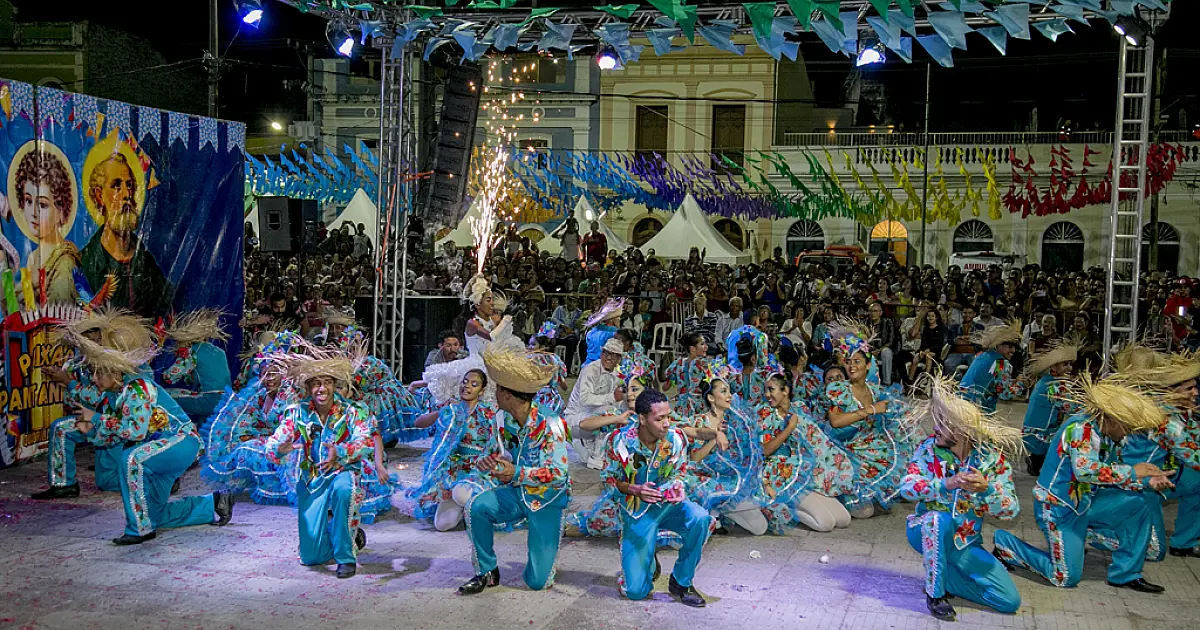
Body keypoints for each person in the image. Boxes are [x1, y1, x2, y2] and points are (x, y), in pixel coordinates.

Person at [993, 374, 1172, 593]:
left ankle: (1125, 573)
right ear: (1113, 420)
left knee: (1136, 505)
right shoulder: (1080, 428)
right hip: (1059, 508)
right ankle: (1005, 545)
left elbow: (1112, 474)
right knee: (1065, 577)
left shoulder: (1109, 435)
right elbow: (1086, 471)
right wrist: (1133, 472)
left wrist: (1146, 482)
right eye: (1128, 426)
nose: (1130, 432)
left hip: (1087, 502)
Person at [63, 316, 233, 545]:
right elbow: (111, 434)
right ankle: (213, 503)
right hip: (160, 450)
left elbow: (134, 431)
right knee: (154, 514)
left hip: (181, 443)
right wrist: (89, 429)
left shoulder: (137, 387)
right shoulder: (114, 395)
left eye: (99, 373)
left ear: (116, 372)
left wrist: (95, 418)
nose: (94, 378)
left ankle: (138, 530)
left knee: (131, 459)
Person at [900, 373, 1023, 621]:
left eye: (943, 423)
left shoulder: (991, 460)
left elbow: (1011, 511)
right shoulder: (928, 449)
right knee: (938, 520)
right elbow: (907, 487)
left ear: (962, 431)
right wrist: (946, 483)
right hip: (924, 530)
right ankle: (935, 593)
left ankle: (943, 577)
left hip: (965, 542)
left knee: (1008, 601)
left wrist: (986, 489)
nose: (935, 427)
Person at [459, 346, 570, 595]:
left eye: (498, 389)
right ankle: (487, 571)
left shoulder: (551, 424)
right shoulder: (504, 419)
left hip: (546, 500)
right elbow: (500, 456)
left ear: (508, 395)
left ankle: (547, 552)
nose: (494, 394)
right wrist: (491, 464)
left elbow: (559, 474)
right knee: (476, 507)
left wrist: (516, 473)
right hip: (517, 493)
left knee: (537, 582)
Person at [264, 341, 372, 578]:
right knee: (310, 558)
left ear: (335, 386)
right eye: (315, 383)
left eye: (326, 382)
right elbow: (274, 443)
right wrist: (280, 449)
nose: (321, 388)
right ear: (309, 388)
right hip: (311, 478)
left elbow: (366, 442)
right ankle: (341, 532)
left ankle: (346, 556)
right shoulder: (297, 412)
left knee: (344, 491)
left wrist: (341, 451)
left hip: (343, 473)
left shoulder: (353, 411)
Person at [604, 388, 709, 606]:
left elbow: (681, 473)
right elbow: (609, 481)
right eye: (659, 418)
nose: (667, 423)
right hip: (637, 510)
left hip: (668, 506)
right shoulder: (620, 441)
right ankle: (647, 557)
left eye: (668, 416)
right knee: (635, 591)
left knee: (700, 517)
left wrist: (677, 487)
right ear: (642, 419)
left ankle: (682, 581)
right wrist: (636, 489)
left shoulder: (676, 438)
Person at [33, 309, 132, 499]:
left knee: (107, 481)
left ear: (99, 334)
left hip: (117, 424)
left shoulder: (110, 359)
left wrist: (68, 382)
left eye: (90, 334)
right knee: (62, 429)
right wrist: (65, 381)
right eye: (82, 335)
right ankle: (64, 484)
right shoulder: (77, 363)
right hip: (100, 421)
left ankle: (157, 480)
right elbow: (74, 402)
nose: (86, 339)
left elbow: (98, 396)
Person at [824, 319, 915, 519]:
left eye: (857, 362)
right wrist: (870, 410)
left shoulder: (875, 390)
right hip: (845, 447)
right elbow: (836, 421)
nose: (851, 366)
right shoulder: (839, 389)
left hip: (869, 446)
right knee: (865, 511)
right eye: (848, 362)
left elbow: (892, 411)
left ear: (868, 365)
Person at [200, 331, 300, 505]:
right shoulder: (261, 394)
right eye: (264, 373)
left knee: (246, 449)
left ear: (284, 375)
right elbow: (244, 417)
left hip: (289, 446)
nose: (268, 378)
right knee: (237, 441)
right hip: (272, 440)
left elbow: (289, 429)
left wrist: (264, 442)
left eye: (273, 374)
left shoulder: (289, 396)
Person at [1118, 350, 1200, 561]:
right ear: (1171, 392)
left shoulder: (1180, 410)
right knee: (1154, 552)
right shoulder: (1165, 420)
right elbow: (1193, 456)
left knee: (1197, 482)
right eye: (1189, 388)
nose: (1196, 392)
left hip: (1159, 476)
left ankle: (1184, 542)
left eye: (1195, 386)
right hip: (1136, 483)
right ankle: (1092, 530)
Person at [406, 370, 510, 531]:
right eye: (465, 381)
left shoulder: (488, 412)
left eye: (474, 384)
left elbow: (497, 446)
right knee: (442, 525)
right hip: (454, 469)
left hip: (478, 469)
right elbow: (418, 422)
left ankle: (475, 507)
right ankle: (463, 506)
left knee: (461, 494)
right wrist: (442, 412)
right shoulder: (451, 408)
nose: (467, 386)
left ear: (481, 391)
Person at [79, 150, 173, 316]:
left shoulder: (145, 260)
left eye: (129, 185)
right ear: (99, 196)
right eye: (116, 185)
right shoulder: (86, 262)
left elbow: (169, 307)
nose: (126, 194)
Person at [757, 373, 854, 533]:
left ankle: (799, 501)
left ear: (785, 390)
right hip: (782, 474)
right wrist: (789, 428)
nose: (767, 394)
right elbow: (765, 450)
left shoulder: (800, 408)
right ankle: (786, 506)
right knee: (825, 523)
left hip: (807, 471)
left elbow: (816, 439)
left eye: (771, 389)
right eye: (766, 390)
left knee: (844, 519)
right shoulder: (765, 414)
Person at [678, 376, 768, 535]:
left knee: (760, 528)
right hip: (707, 481)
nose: (730, 396)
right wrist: (716, 436)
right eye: (724, 391)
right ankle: (710, 514)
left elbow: (749, 457)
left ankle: (722, 513)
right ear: (711, 398)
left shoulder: (737, 422)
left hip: (732, 483)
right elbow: (696, 459)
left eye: (730, 391)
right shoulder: (699, 421)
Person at [418, 275, 523, 405]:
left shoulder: (491, 321)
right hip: (476, 362)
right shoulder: (472, 323)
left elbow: (500, 339)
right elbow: (491, 336)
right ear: (478, 304)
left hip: (491, 362)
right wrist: (505, 321)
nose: (492, 303)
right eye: (488, 300)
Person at [11, 145, 81, 303]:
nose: (33, 212)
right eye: (28, 201)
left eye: (42, 204)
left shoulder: (64, 262)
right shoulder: (31, 257)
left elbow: (62, 316)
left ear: (60, 211)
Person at [160, 309, 233, 421]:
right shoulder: (219, 351)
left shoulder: (192, 352)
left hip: (208, 401)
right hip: (226, 400)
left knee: (165, 396)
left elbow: (169, 377)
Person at [1021, 341, 1079, 476]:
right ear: (1053, 366)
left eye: (1070, 364)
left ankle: (1036, 460)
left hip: (1030, 433)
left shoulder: (1045, 380)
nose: (1069, 368)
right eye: (1065, 364)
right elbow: (1072, 408)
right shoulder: (1056, 385)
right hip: (1040, 437)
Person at [565, 338, 624, 469]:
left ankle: (592, 444)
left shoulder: (618, 374)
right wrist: (612, 397)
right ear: (601, 353)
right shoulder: (590, 370)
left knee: (620, 414)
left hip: (593, 418)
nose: (609, 358)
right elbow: (585, 399)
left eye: (614, 355)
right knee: (609, 413)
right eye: (606, 353)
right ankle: (596, 457)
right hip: (576, 418)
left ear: (619, 359)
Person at [960, 320, 1026, 414]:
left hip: (959, 401)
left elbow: (990, 379)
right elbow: (1004, 394)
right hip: (975, 408)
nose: (1013, 350)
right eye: (1009, 346)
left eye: (1014, 347)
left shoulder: (981, 355)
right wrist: (1020, 384)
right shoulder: (1001, 363)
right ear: (998, 345)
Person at [664, 332, 714, 417]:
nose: (706, 347)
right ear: (692, 349)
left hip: (682, 409)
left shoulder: (677, 363)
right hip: (699, 409)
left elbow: (665, 387)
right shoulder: (704, 364)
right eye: (702, 344)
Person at [944, 304, 982, 376]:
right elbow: (951, 341)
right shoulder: (954, 327)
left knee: (976, 366)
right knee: (948, 364)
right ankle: (955, 385)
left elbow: (979, 343)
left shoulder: (979, 327)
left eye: (969, 313)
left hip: (972, 353)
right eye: (965, 313)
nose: (967, 315)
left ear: (974, 314)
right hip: (956, 353)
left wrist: (961, 338)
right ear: (961, 313)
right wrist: (969, 340)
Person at [584, 297, 624, 364]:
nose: (619, 319)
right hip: (601, 366)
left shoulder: (591, 332)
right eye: (618, 317)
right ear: (612, 319)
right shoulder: (612, 332)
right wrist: (618, 327)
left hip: (587, 364)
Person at [866, 301, 896, 386]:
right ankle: (867, 384)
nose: (872, 313)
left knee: (886, 352)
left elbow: (890, 341)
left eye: (875, 311)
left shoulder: (887, 322)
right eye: (871, 311)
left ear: (881, 313)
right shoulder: (866, 323)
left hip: (882, 351)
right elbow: (862, 339)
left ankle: (887, 382)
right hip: (869, 351)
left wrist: (878, 351)